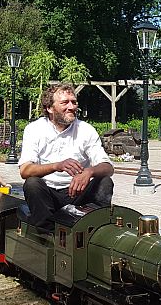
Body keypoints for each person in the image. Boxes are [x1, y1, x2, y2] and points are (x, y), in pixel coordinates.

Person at [19, 83, 114, 230]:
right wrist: (57, 166)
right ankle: (46, 234)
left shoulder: (86, 130)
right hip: (47, 193)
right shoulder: (34, 129)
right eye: (64, 102)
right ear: (50, 108)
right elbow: (25, 170)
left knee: (105, 182)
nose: (71, 107)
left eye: (74, 102)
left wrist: (89, 172)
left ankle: (96, 229)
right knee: (32, 184)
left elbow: (108, 168)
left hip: (77, 192)